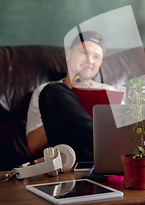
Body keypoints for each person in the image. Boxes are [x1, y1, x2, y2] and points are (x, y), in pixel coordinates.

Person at [26, 31, 117, 161]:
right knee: (53, 90)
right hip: (71, 158)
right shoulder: (46, 92)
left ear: (100, 63)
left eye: (96, 57)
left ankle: (106, 149)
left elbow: (124, 135)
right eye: (84, 52)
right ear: (68, 54)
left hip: (105, 159)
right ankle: (105, 147)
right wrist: (66, 108)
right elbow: (34, 146)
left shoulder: (109, 91)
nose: (89, 60)